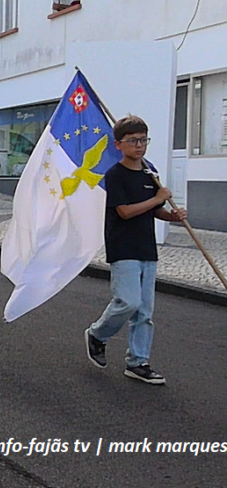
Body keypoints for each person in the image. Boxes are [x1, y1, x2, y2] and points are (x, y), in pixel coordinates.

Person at [85, 116, 186, 385]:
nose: (139, 146)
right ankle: (97, 334)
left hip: (146, 248)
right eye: (133, 141)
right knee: (128, 302)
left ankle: (138, 361)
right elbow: (125, 211)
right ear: (118, 144)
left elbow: (154, 210)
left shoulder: (148, 172)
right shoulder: (115, 175)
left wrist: (172, 216)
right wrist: (157, 198)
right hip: (123, 246)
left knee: (145, 312)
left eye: (143, 140)